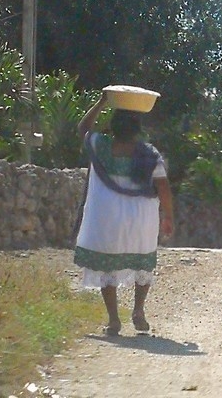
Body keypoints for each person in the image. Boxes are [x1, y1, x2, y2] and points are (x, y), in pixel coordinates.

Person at [74, 91, 174, 336]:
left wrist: (101, 102)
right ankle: (138, 310)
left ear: (113, 127)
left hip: (107, 217)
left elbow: (83, 128)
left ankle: (113, 320)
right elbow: (163, 186)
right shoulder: (149, 154)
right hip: (141, 219)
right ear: (137, 129)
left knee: (108, 268)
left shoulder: (101, 146)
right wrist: (169, 217)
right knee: (143, 265)